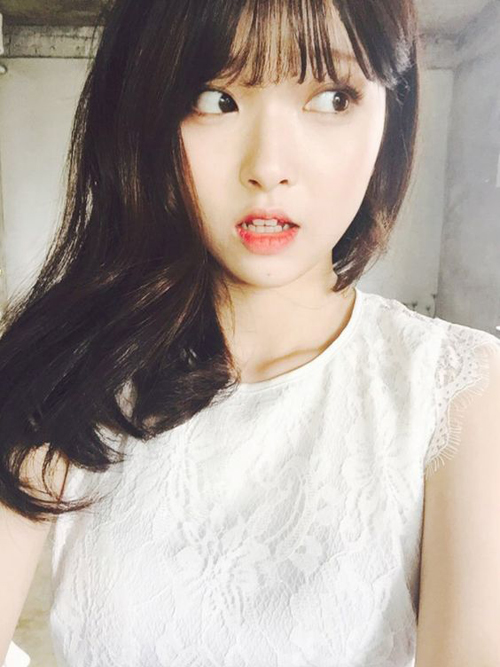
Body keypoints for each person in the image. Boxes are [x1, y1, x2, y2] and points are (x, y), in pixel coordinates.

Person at [1, 0, 499, 665]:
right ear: (142, 116)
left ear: (392, 113)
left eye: (332, 98)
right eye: (216, 98)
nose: (269, 166)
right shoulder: (69, 369)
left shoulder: (457, 389)